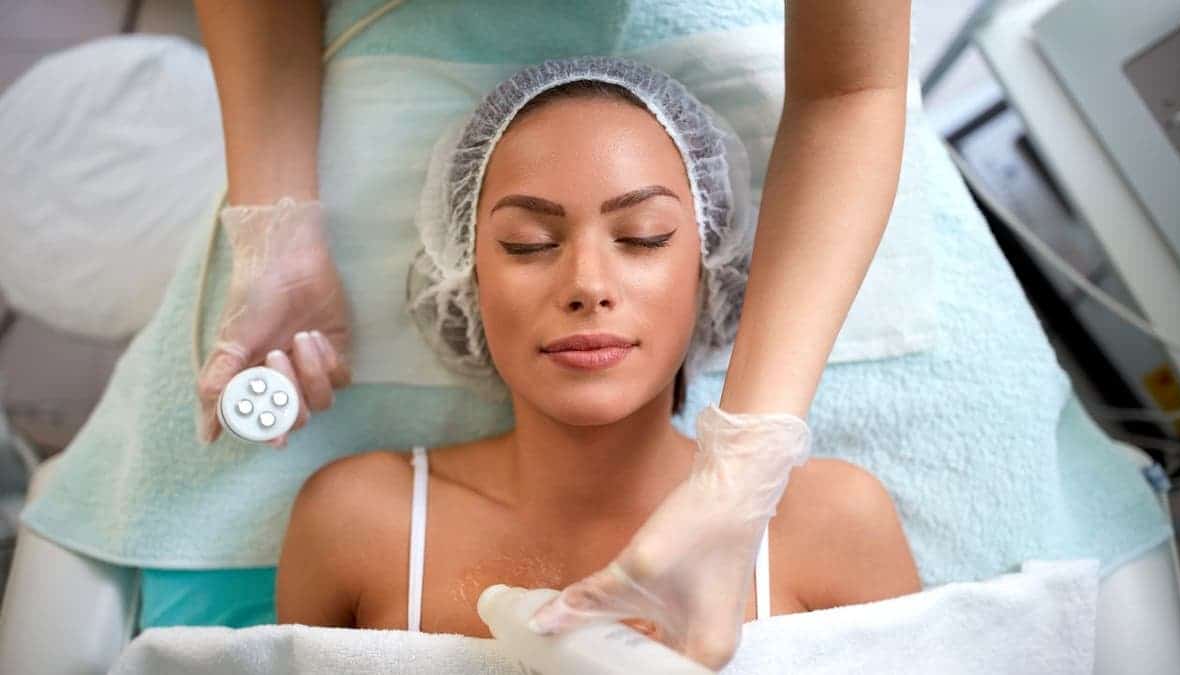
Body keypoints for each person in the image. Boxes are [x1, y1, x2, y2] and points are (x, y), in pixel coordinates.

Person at [196, 0, 912, 669]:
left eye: (643, 236)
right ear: (464, 279)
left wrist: (746, 469)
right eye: (529, 243)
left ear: (711, 267)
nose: (586, 283)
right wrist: (273, 229)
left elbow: (852, 88)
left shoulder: (834, 525)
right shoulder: (356, 523)